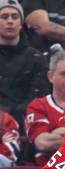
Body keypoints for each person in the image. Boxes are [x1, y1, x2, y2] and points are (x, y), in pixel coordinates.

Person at [0, 0, 49, 128]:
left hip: (26, 121)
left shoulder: (37, 58)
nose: (10, 21)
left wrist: (15, 118)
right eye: (4, 17)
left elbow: (37, 96)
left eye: (15, 17)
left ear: (21, 24)